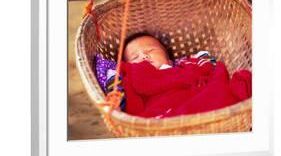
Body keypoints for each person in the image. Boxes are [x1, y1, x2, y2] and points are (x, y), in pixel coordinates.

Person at [107, 32, 252, 118]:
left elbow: (210, 68)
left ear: (169, 59)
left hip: (201, 98)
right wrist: (116, 104)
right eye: (135, 57)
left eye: (150, 50)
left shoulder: (185, 66)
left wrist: (201, 58)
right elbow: (122, 94)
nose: (144, 57)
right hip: (163, 114)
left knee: (234, 85)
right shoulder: (132, 76)